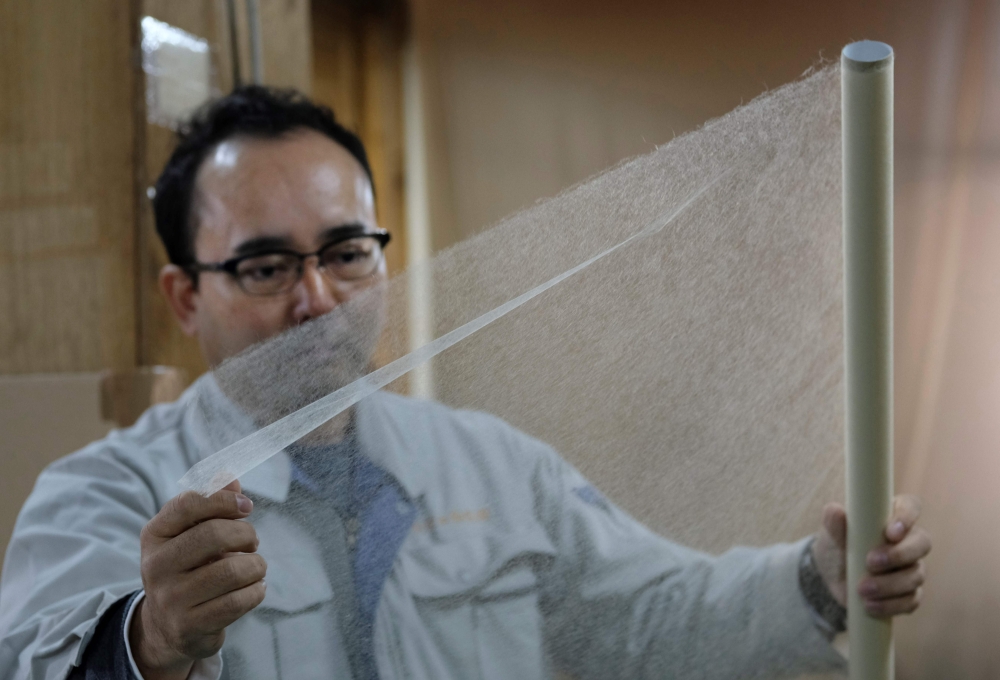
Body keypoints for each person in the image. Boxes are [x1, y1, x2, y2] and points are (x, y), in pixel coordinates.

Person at [0, 87, 931, 680]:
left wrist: (816, 583)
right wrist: (151, 641)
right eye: (265, 268)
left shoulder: (490, 466)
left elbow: (653, 621)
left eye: (347, 253)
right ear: (183, 296)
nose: (318, 301)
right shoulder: (105, 496)